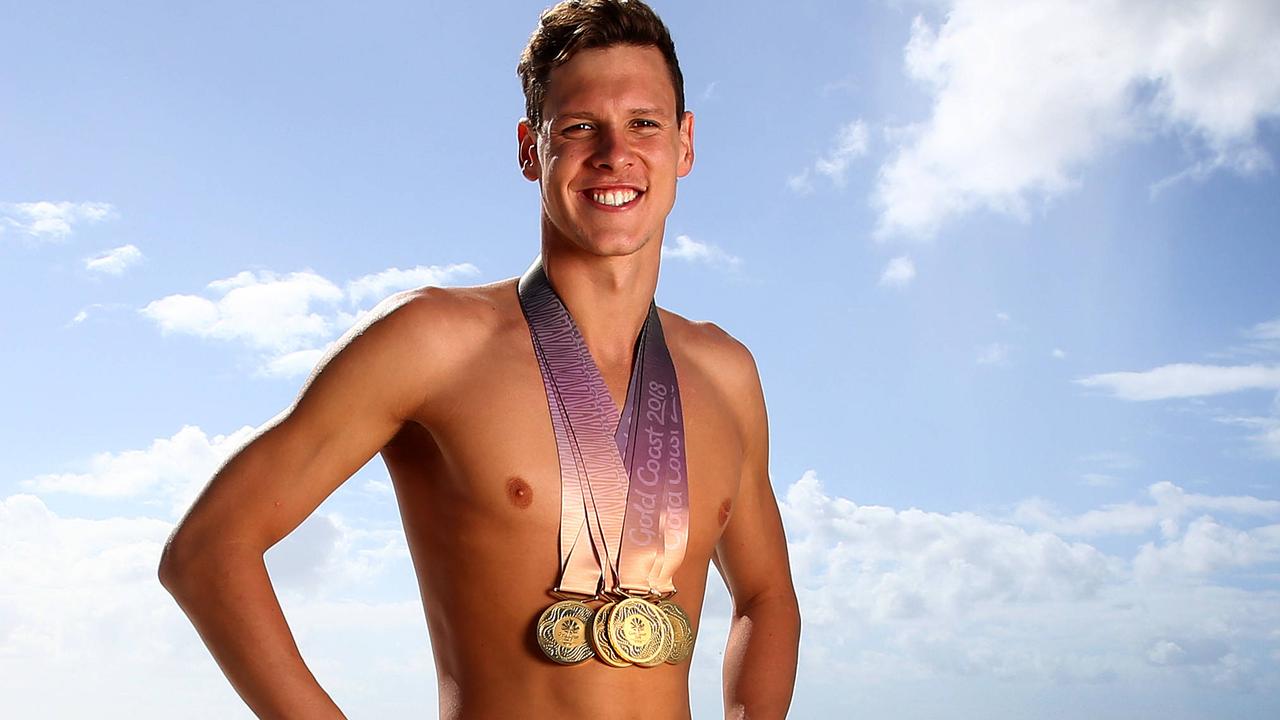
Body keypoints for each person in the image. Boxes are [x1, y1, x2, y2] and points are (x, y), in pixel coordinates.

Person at [157, 1, 801, 718]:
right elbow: (208, 550)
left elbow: (767, 597)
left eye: (643, 123)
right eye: (581, 126)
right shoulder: (434, 340)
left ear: (684, 143)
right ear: (532, 149)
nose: (615, 152)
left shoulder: (725, 371)